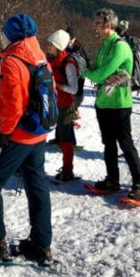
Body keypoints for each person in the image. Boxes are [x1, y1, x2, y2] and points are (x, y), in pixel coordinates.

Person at [0, 14, 53, 265]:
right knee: (36, 185)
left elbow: (13, 104)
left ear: (12, 35)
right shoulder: (39, 55)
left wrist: (4, 131)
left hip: (17, 133)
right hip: (38, 131)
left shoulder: (13, 61)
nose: (2, 36)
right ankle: (40, 243)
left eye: (4, 32)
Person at [84, 8, 140, 201]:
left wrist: (86, 72)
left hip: (119, 103)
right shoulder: (105, 44)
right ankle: (112, 179)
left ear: (108, 25)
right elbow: (97, 70)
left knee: (126, 144)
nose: (94, 26)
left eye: (98, 22)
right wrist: (94, 72)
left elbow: (98, 74)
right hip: (103, 102)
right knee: (108, 143)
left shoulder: (119, 47)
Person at [46, 29, 79, 181]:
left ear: (59, 46)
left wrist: (58, 85)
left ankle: (68, 170)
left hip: (65, 105)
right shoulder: (51, 59)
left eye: (51, 44)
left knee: (65, 138)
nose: (48, 47)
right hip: (53, 102)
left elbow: (74, 88)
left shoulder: (68, 63)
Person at [65, 26, 89, 112]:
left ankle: (74, 110)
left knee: (78, 93)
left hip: (80, 73)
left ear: (74, 38)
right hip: (70, 71)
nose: (68, 41)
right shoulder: (64, 46)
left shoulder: (79, 46)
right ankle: (71, 112)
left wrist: (89, 69)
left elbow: (86, 58)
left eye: (70, 38)